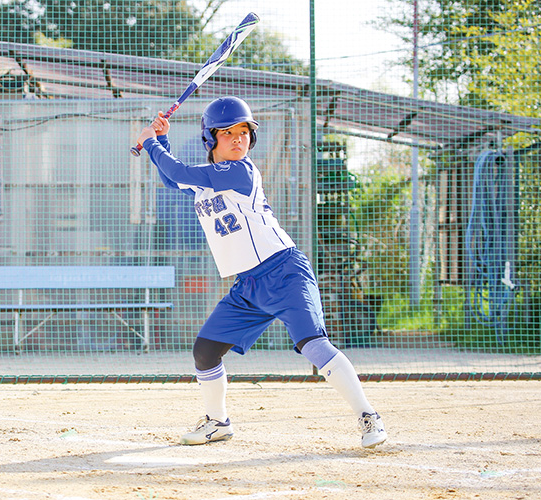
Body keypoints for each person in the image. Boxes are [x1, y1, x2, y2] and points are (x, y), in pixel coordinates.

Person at [136, 96, 388, 449]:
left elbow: (178, 171)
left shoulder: (239, 171)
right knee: (205, 352)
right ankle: (218, 422)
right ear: (211, 138)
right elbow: (173, 181)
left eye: (244, 132)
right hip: (249, 285)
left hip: (284, 272)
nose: (239, 139)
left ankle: (368, 416)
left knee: (313, 346)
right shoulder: (209, 179)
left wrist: (149, 141)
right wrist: (161, 141)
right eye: (228, 133)